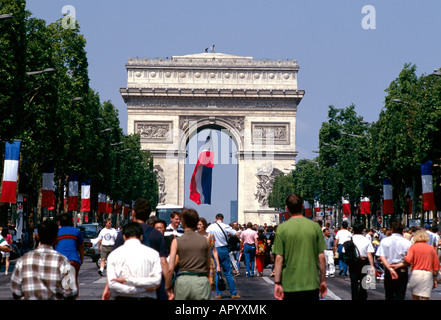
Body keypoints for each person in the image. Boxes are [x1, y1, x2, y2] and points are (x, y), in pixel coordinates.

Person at [102, 198, 169, 300]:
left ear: (133, 212)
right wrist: (168, 287)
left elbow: (114, 265)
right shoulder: (157, 234)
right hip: (149, 289)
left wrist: (107, 287)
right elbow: (163, 262)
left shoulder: (123, 233)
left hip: (124, 291)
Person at [273, 193, 327, 300]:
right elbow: (321, 257)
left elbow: (279, 258)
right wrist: (323, 280)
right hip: (311, 283)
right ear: (303, 206)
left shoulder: (281, 229)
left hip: (289, 284)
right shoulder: (315, 227)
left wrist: (277, 282)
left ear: (286, 208)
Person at [11, 220, 77, 300]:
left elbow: (16, 291)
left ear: (37, 236)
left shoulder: (23, 260)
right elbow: (70, 292)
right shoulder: (62, 261)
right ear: (56, 238)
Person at [106, 222, 162, 300]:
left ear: (124, 237)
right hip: (147, 297)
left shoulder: (113, 255)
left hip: (122, 297)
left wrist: (128, 282)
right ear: (141, 236)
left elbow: (112, 283)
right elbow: (156, 280)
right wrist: (140, 289)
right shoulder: (153, 254)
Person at [167, 209, 211, 300]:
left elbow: (170, 268)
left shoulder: (176, 241)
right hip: (201, 280)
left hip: (183, 281)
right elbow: (208, 265)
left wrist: (167, 287)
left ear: (183, 222)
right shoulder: (205, 241)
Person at [391, 230, 440, 300]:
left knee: (415, 296)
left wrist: (403, 257)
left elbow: (408, 259)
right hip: (428, 274)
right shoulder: (431, 248)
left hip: (416, 273)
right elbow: (436, 265)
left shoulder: (413, 247)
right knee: (425, 297)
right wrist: (435, 279)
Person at [206, 213, 241, 299]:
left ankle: (219, 293)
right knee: (228, 273)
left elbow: (206, 236)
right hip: (224, 249)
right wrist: (239, 232)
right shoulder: (225, 226)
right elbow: (236, 234)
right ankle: (233, 293)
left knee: (217, 271)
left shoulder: (210, 227)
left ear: (215, 218)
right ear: (223, 219)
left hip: (214, 249)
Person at [375, 220, 411, 300]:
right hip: (402, 269)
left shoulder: (384, 241)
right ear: (402, 231)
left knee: (389, 294)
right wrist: (400, 265)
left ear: (391, 230)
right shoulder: (407, 242)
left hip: (389, 269)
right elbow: (410, 259)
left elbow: (381, 256)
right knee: (400, 294)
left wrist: (390, 268)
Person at [56, 213, 84, 295]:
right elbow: (81, 247)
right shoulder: (76, 231)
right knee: (74, 282)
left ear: (59, 222)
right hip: (74, 260)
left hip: (59, 261)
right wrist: (81, 259)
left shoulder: (56, 231)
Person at [348, 222, 375, 300]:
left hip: (353, 262)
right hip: (363, 261)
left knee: (354, 283)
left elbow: (344, 251)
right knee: (364, 282)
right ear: (362, 230)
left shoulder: (350, 239)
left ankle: (355, 298)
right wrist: (372, 266)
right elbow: (369, 254)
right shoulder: (366, 240)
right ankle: (362, 297)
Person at [198, 217, 220, 289]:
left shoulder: (210, 236)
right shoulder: (195, 236)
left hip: (208, 262)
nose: (199, 226)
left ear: (204, 225)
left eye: (200, 224)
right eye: (198, 225)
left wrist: (218, 265)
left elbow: (214, 250)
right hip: (197, 262)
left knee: (208, 284)